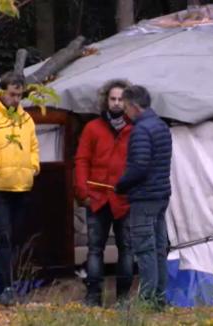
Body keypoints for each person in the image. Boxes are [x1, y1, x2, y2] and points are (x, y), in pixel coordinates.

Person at [0, 72, 40, 306]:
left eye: (20, 95)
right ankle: (5, 287)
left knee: (15, 238)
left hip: (22, 186)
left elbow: (34, 146)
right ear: (2, 91)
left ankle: (12, 283)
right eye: (12, 94)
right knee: (4, 237)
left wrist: (33, 166)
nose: (16, 99)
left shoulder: (26, 119)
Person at [74, 79, 133, 307]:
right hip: (97, 198)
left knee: (126, 249)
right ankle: (93, 297)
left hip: (123, 199)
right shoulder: (93, 128)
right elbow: (81, 160)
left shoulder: (133, 129)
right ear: (106, 100)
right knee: (95, 249)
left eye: (121, 99)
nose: (117, 103)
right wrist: (83, 192)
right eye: (113, 98)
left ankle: (123, 299)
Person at [115, 85, 172, 308]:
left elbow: (139, 167)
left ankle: (147, 301)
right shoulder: (161, 126)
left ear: (134, 106)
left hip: (145, 197)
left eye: (126, 107)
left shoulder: (141, 130)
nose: (125, 112)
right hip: (161, 195)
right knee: (159, 249)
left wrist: (121, 185)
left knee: (145, 250)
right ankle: (159, 299)